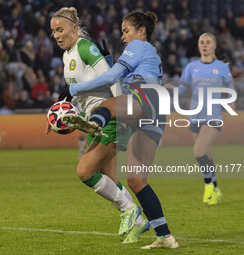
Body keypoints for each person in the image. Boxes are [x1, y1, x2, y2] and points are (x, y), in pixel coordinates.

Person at [60, 11, 178, 249]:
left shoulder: (139, 46)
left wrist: (77, 88)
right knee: (136, 180)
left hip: (145, 96)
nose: (123, 36)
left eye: (126, 30)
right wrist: (111, 63)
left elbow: (112, 76)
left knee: (107, 106)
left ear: (141, 31)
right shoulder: (144, 53)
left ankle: (95, 123)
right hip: (155, 111)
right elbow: (118, 75)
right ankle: (166, 237)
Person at [48, 7, 148, 243]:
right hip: (94, 121)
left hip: (109, 116)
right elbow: (76, 94)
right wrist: (55, 116)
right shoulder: (67, 55)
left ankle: (129, 210)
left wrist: (121, 113)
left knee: (84, 171)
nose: (57, 35)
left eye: (60, 30)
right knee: (109, 179)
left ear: (74, 28)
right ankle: (139, 221)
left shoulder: (85, 48)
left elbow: (112, 77)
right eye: (53, 32)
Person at [166, 33, 236, 205]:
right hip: (195, 116)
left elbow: (230, 87)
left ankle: (208, 187)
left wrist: (232, 102)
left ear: (214, 46)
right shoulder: (191, 67)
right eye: (201, 42)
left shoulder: (221, 67)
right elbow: (182, 90)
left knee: (198, 151)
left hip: (213, 116)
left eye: (208, 42)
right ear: (199, 46)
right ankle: (217, 187)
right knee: (207, 153)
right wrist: (171, 89)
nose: (204, 45)